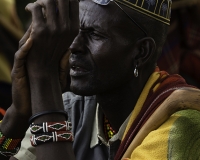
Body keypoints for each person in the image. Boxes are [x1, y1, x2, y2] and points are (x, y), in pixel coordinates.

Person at [0, 0, 200, 160]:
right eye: (76, 31)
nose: (74, 46)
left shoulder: (181, 127)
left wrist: (44, 80)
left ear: (141, 52)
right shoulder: (70, 109)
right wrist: (18, 115)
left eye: (94, 34)